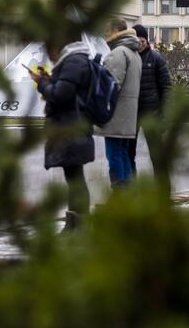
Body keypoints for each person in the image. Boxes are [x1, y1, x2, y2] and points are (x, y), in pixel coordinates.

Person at [31, 39, 94, 231]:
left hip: (70, 127)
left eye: (50, 51)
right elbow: (66, 90)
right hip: (73, 125)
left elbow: (60, 95)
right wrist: (49, 80)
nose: (50, 56)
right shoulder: (77, 61)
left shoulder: (73, 62)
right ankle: (75, 223)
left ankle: (78, 225)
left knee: (75, 178)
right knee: (74, 176)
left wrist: (42, 83)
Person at [94, 19, 142, 189]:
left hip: (115, 115)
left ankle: (120, 194)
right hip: (127, 115)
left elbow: (110, 85)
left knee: (114, 156)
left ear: (115, 31)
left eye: (107, 30)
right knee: (123, 155)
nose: (105, 34)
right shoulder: (133, 53)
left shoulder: (118, 53)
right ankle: (127, 194)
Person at [129, 24, 172, 195]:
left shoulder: (156, 58)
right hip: (131, 115)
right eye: (136, 41)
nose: (139, 44)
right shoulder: (129, 57)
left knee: (158, 157)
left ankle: (163, 194)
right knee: (128, 155)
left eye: (142, 40)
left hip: (152, 114)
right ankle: (131, 192)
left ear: (146, 40)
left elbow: (167, 88)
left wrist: (164, 115)